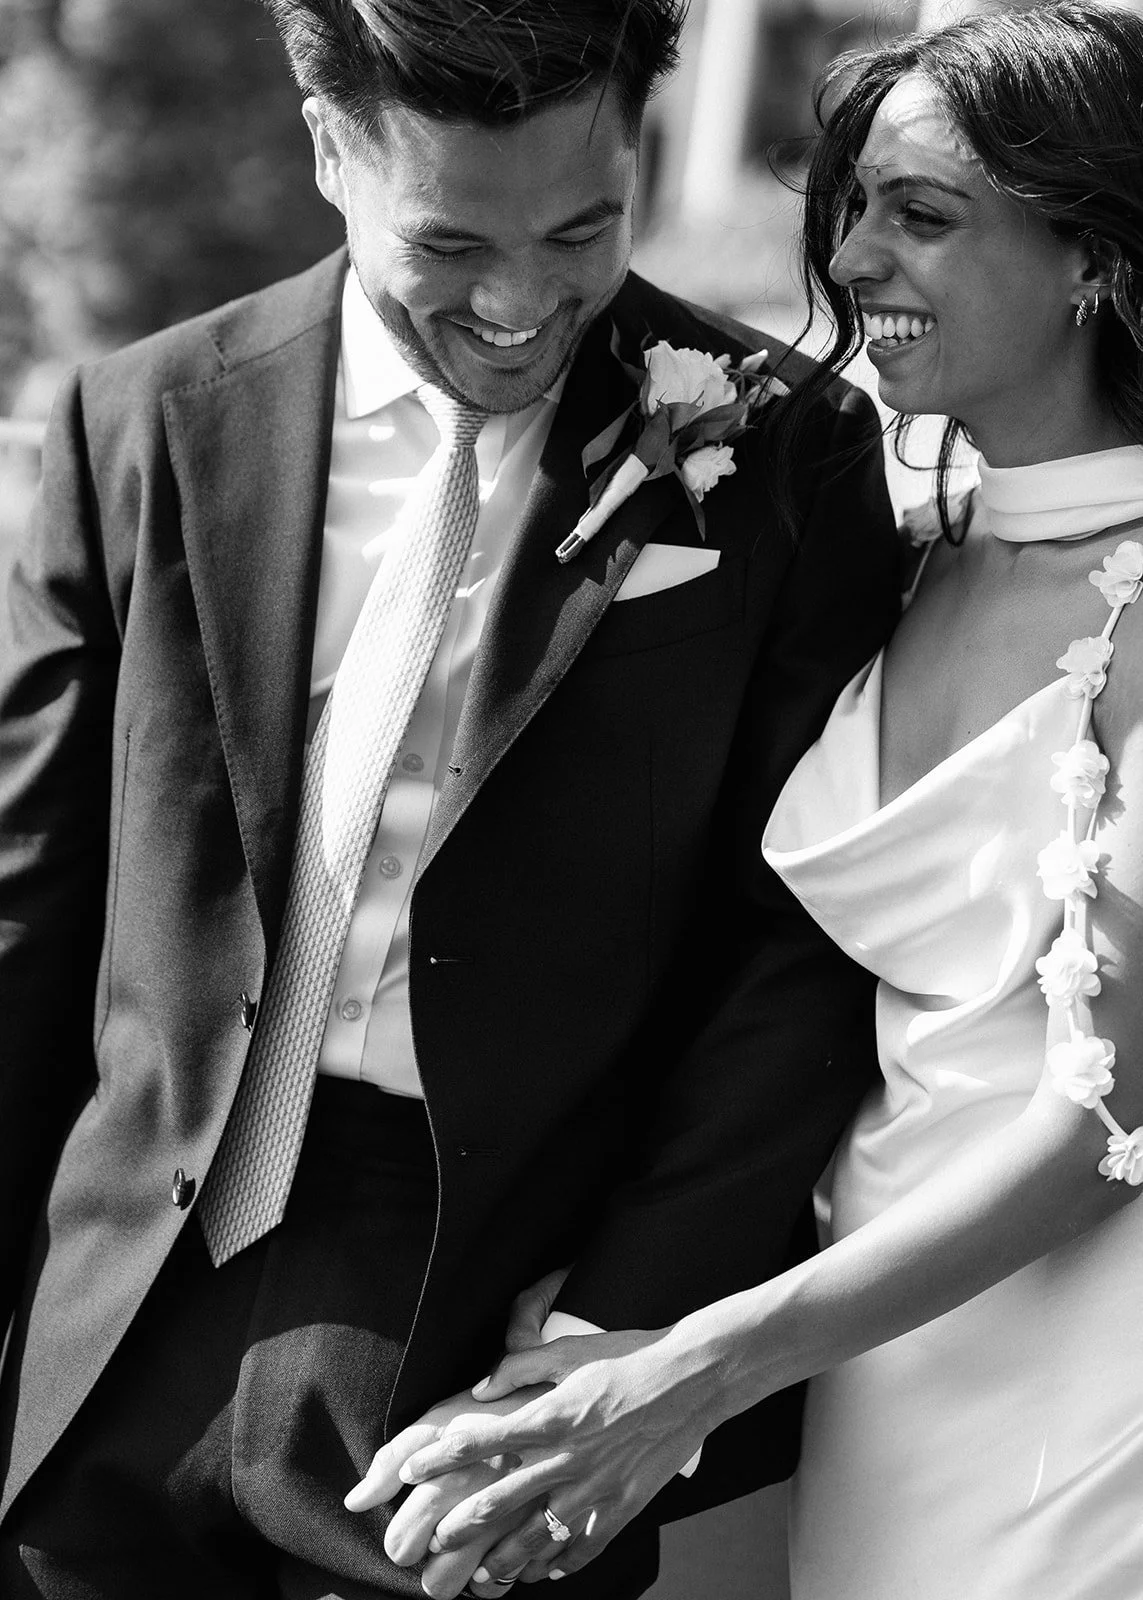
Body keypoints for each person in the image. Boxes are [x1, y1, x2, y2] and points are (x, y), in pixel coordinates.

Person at [0, 2, 900, 1596]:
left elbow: (799, 944)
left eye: (582, 228)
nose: (519, 303)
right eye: (449, 242)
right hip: (119, 1298)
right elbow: (28, 900)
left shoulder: (786, 454)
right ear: (327, 144)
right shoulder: (137, 419)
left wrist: (609, 1337)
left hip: (490, 1312)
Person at [366, 4, 1143, 1596]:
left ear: (1095, 256)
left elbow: (1109, 1122)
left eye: (920, 215)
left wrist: (691, 1366)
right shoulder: (912, 542)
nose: (851, 262)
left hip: (1079, 1385)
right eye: (849, 207)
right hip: (867, 1354)